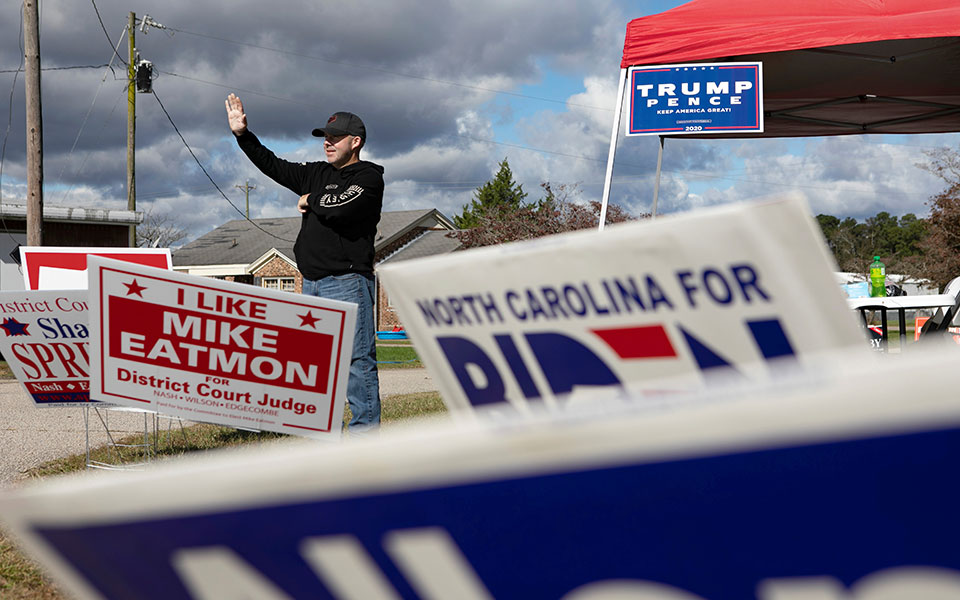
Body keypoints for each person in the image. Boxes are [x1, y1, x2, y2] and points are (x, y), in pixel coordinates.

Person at [225, 93, 383, 434]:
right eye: (325, 138)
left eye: (335, 138)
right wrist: (243, 135)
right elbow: (273, 165)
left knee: (357, 362)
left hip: (347, 282)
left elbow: (341, 206)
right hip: (310, 282)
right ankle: (325, 432)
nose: (327, 143)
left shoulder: (369, 177)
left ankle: (365, 438)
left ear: (355, 142)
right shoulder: (315, 173)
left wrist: (311, 200)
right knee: (317, 366)